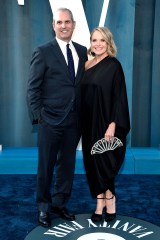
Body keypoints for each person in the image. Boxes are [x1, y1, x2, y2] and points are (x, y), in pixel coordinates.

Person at [27, 8, 88, 227]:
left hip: (74, 122)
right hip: (49, 121)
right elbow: (33, 88)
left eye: (67, 22)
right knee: (46, 166)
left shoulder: (82, 51)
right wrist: (39, 118)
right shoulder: (43, 51)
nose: (64, 26)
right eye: (59, 22)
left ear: (73, 24)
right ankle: (43, 207)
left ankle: (59, 203)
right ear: (54, 25)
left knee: (67, 166)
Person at [81, 27, 130, 223]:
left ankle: (110, 200)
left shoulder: (114, 65)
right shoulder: (86, 65)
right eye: (94, 40)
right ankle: (99, 202)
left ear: (109, 42)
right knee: (92, 164)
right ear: (90, 43)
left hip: (106, 123)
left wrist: (112, 124)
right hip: (87, 123)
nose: (98, 44)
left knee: (105, 163)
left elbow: (119, 98)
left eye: (102, 40)